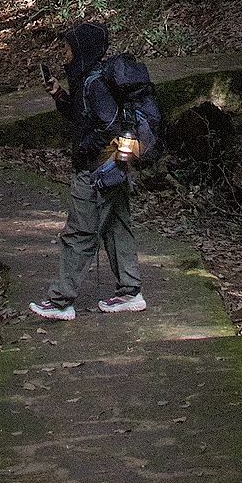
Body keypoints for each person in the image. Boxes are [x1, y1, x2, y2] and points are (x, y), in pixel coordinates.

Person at [28, 19, 147, 319]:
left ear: (81, 49)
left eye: (67, 48)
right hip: (115, 169)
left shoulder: (94, 84)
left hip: (97, 172)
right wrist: (58, 94)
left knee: (79, 233)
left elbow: (109, 124)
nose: (64, 55)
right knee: (118, 227)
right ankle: (130, 292)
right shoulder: (89, 81)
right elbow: (84, 118)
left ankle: (60, 302)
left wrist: (86, 148)